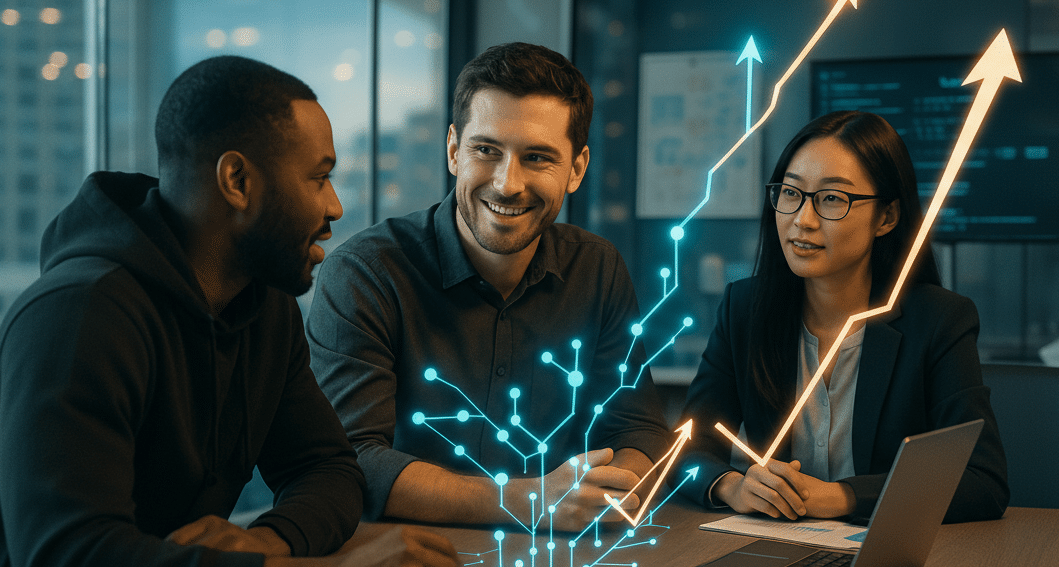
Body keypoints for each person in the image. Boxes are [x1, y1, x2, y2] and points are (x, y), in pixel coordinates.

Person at [0, 56, 459, 567]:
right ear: (237, 181)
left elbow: (328, 468)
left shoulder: (264, 307)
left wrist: (264, 545)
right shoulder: (79, 315)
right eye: (319, 177)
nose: (334, 206)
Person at [307, 43, 669, 531]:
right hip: (399, 556)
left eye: (537, 157)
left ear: (577, 169)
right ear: (453, 150)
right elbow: (350, 460)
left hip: (560, 558)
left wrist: (605, 494)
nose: (506, 183)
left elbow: (638, 428)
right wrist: (533, 502)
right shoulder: (366, 273)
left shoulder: (597, 268)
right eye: (486, 150)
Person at [677, 110, 1009, 523]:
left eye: (832, 198)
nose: (803, 220)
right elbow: (686, 448)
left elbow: (981, 481)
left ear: (886, 217)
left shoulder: (939, 321)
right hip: (775, 545)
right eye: (791, 193)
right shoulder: (744, 309)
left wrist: (842, 497)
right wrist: (732, 486)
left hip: (886, 552)